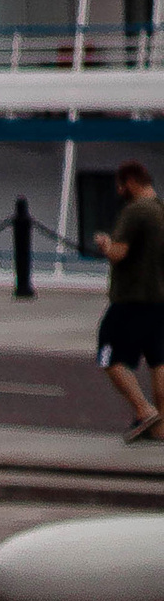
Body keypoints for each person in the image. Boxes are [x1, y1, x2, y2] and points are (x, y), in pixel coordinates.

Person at [94, 161, 164, 439]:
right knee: (158, 361)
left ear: (131, 181)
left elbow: (118, 253)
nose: (118, 191)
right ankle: (160, 429)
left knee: (107, 355)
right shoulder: (160, 209)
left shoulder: (135, 211)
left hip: (129, 300)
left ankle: (144, 410)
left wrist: (105, 244)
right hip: (158, 300)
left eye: (120, 185)